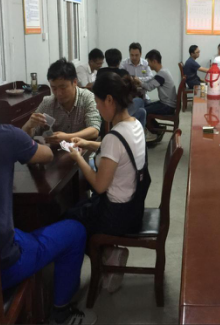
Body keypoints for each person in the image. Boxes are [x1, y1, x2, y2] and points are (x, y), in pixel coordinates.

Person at [0, 66, 96, 325]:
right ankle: (61, 312)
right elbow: (46, 155)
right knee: (75, 230)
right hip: (0, 268)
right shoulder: (5, 136)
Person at [66, 72, 150, 292]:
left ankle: (108, 254)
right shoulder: (134, 124)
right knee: (79, 208)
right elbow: (118, 149)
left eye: (97, 102)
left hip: (115, 217)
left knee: (70, 218)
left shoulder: (114, 136)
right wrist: (87, 143)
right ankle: (109, 253)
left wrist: (77, 158)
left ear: (109, 100)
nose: (97, 107)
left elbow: (99, 185)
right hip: (133, 208)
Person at [22, 58, 101, 144]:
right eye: (54, 88)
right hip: (56, 151)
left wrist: (66, 137)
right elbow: (29, 135)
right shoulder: (47, 103)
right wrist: (29, 125)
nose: (58, 93)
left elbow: (94, 130)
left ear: (75, 82)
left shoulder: (87, 97)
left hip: (83, 150)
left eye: (63, 87)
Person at [100, 48, 150, 137]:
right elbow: (129, 91)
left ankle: (134, 133)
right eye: (132, 55)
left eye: (136, 55)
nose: (134, 57)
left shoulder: (100, 72)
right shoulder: (123, 73)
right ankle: (134, 132)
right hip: (119, 108)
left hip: (105, 107)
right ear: (119, 61)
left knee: (142, 112)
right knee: (140, 101)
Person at [139, 50, 177, 141]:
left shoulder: (161, 74)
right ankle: (158, 129)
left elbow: (149, 87)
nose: (148, 64)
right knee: (145, 106)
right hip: (167, 104)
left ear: (154, 61)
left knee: (143, 111)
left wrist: (138, 82)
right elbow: (151, 80)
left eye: (149, 62)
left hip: (167, 106)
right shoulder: (164, 71)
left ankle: (153, 134)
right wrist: (140, 81)